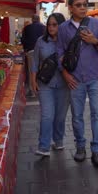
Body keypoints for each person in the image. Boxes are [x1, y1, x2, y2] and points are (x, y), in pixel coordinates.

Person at [57, 0, 98, 167]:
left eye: (84, 5)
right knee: (77, 116)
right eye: (78, 5)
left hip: (95, 75)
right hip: (76, 78)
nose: (82, 7)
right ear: (70, 8)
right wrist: (65, 73)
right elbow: (59, 54)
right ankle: (80, 147)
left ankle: (97, 150)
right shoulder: (64, 28)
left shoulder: (95, 23)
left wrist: (95, 41)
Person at [31, 13, 70, 156]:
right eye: (49, 24)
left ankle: (58, 140)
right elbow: (35, 62)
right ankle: (43, 146)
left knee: (60, 116)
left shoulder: (67, 42)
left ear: (61, 26)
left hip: (64, 85)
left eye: (54, 24)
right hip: (45, 84)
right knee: (47, 115)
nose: (51, 27)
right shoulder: (41, 41)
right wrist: (33, 80)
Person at [22, 15, 45, 97]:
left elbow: (23, 40)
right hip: (42, 52)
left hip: (31, 51)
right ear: (39, 19)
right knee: (42, 70)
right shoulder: (44, 27)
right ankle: (42, 88)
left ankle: (32, 91)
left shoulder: (27, 28)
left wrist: (25, 49)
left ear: (32, 20)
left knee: (31, 70)